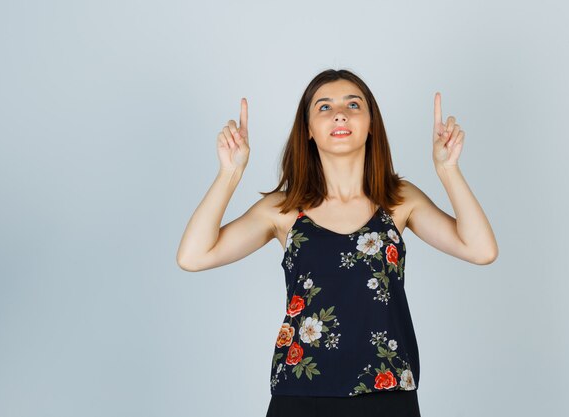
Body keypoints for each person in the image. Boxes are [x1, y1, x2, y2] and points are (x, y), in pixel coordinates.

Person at [176, 69, 498, 417]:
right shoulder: (284, 210)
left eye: (353, 104)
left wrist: (448, 170)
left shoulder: (399, 201)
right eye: (324, 107)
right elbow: (194, 256)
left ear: (371, 124)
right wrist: (230, 173)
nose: (340, 113)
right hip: (300, 395)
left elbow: (480, 249)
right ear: (309, 131)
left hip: (388, 394)